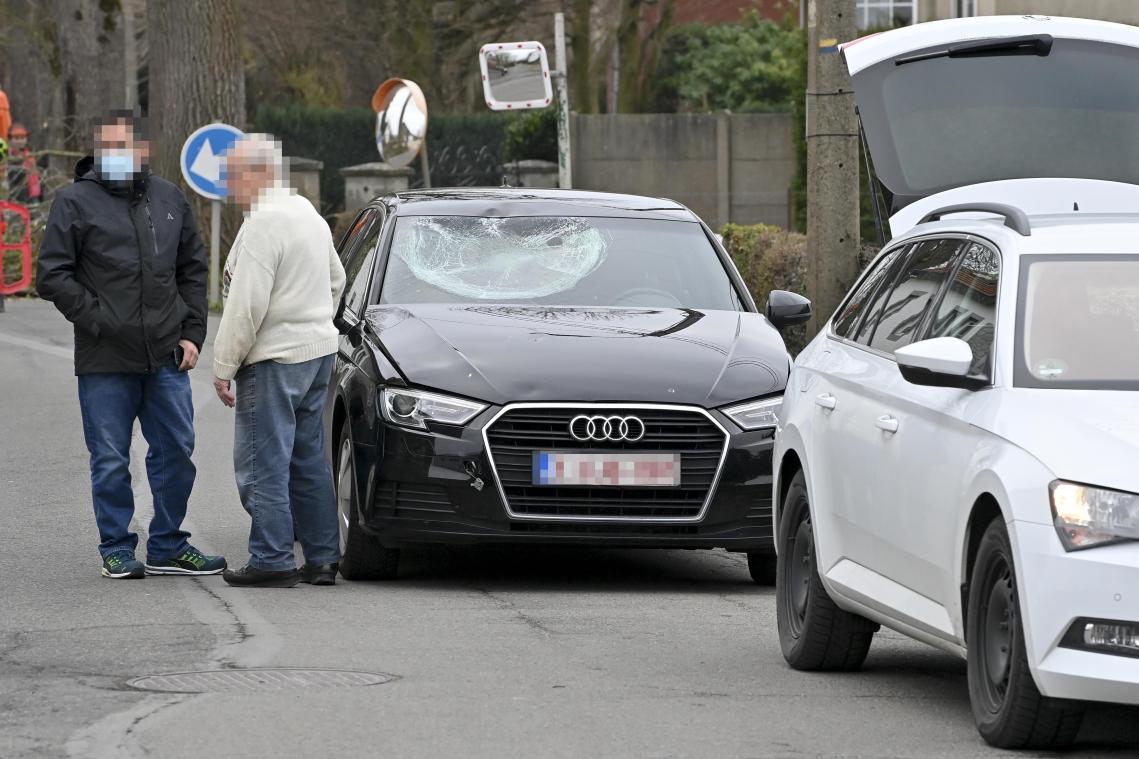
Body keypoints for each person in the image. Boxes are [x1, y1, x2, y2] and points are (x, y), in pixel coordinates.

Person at [36, 111, 226, 579]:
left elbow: (193, 271)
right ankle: (116, 547)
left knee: (177, 451)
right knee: (110, 459)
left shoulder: (169, 199)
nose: (117, 155)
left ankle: (166, 544)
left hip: (166, 356)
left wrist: (192, 333)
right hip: (104, 360)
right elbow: (52, 275)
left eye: (126, 146)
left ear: (144, 149)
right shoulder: (75, 202)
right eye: (109, 146)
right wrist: (98, 318)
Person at [212, 134, 345, 588]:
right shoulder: (309, 215)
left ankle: (271, 558)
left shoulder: (263, 224)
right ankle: (323, 558)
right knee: (308, 459)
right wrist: (315, 322)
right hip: (317, 353)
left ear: (257, 173)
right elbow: (337, 279)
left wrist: (224, 366)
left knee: (262, 463)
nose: (229, 187)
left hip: (274, 359)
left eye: (232, 176)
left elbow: (245, 306)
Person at [8, 123, 43, 204]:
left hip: (33, 194)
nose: (20, 141)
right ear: (11, 139)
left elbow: (37, 177)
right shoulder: (8, 156)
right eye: (16, 138)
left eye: (22, 138)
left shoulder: (30, 155)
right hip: (16, 197)